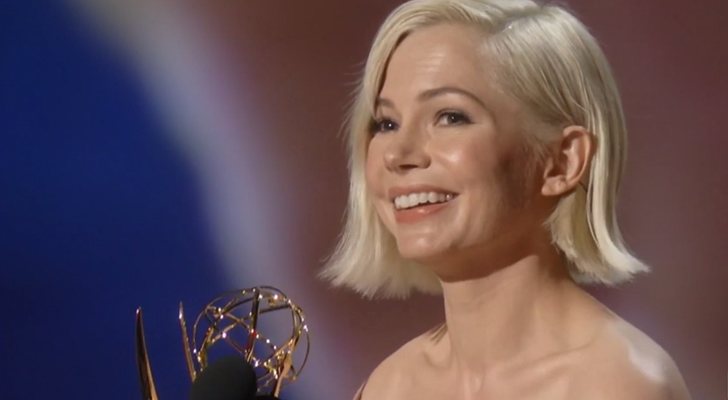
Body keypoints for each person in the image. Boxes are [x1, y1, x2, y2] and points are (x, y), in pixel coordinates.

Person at [322, 0, 692, 398]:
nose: (397, 154)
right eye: (386, 123)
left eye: (450, 117)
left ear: (563, 161)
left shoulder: (616, 384)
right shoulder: (388, 387)